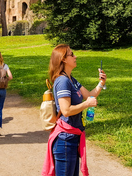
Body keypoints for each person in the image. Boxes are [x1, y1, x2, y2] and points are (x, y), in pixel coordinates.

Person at [42, 44, 107, 176]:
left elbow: (89, 95)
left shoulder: (71, 79)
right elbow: (66, 111)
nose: (75, 56)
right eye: (72, 54)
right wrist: (86, 104)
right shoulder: (62, 81)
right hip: (65, 141)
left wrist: (101, 83)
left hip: (72, 138)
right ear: (63, 59)